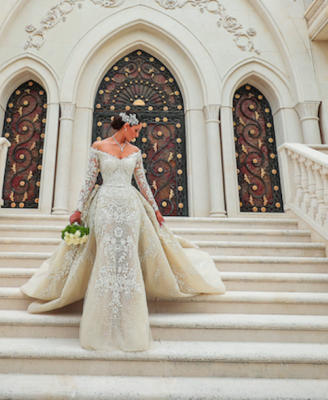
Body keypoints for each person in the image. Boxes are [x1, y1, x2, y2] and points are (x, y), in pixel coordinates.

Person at [20, 111, 226, 352]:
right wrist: (78, 209)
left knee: (127, 257)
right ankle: (102, 316)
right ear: (127, 126)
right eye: (136, 130)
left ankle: (130, 315)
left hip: (129, 207)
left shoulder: (136, 152)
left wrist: (156, 209)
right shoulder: (98, 146)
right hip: (105, 204)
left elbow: (142, 182)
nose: (138, 135)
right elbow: (89, 180)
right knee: (107, 256)